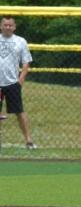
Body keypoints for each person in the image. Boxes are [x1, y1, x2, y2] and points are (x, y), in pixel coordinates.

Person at [0, 16, 36, 149]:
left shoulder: (20, 41)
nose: (8, 27)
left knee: (19, 112)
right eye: (5, 25)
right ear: (1, 26)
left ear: (14, 27)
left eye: (10, 25)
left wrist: (20, 80)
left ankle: (29, 140)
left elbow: (26, 62)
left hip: (12, 83)